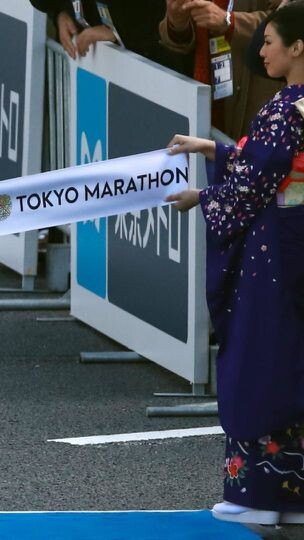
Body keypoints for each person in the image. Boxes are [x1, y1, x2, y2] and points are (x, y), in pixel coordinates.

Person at [165, 4, 304, 525]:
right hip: (296, 242)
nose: (261, 51)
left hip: (278, 250)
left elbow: (255, 178)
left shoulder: (288, 109)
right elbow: (259, 164)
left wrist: (202, 197)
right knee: (293, 360)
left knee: (259, 358)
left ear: (298, 47)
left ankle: (259, 495)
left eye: (269, 41)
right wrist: (211, 148)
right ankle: (294, 494)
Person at [161, 0, 284, 140]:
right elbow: (177, 40)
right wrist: (178, 22)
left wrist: (229, 21)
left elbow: (287, 20)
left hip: (255, 92)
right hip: (200, 91)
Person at [30, 0, 191, 74]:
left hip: (158, 73)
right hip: (98, 74)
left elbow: (173, 15)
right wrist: (61, 12)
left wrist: (118, 33)